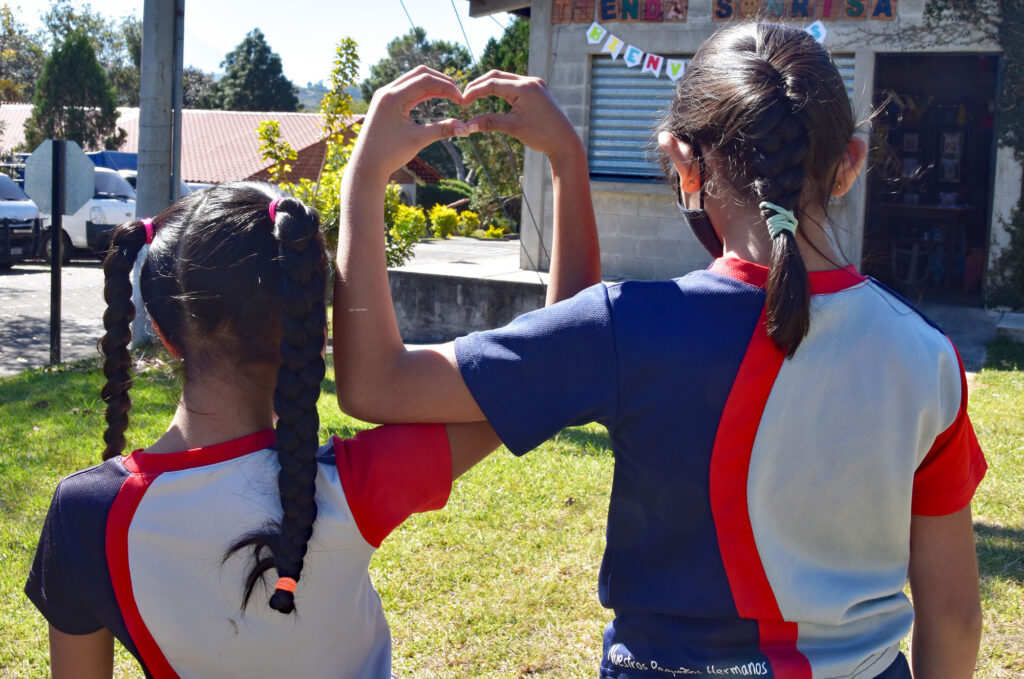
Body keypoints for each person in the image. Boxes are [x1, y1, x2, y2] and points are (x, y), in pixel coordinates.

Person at [333, 24, 986, 679]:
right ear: (851, 162)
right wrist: (564, 159)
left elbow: (377, 383)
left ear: (684, 164)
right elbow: (954, 616)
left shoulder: (632, 328)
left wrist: (363, 178)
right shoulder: (927, 357)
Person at [23, 72, 600, 679]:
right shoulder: (350, 487)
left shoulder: (83, 512)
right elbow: (558, 363)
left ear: (166, 336)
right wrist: (565, 158)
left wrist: (365, 176)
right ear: (314, 331)